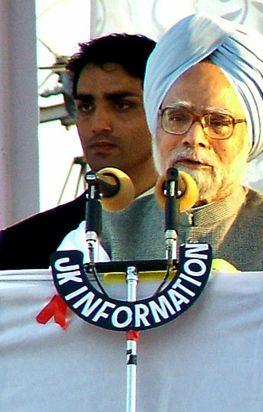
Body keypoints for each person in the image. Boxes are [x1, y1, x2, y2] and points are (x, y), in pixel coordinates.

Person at [60, 13, 263, 272]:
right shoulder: (98, 238)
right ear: (155, 124)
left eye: (219, 122)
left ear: (251, 136)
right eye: (178, 117)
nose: (194, 138)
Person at [0, 33, 157, 270]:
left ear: (165, 110)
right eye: (85, 106)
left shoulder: (216, 231)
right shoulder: (19, 249)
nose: (98, 124)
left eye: (122, 105)